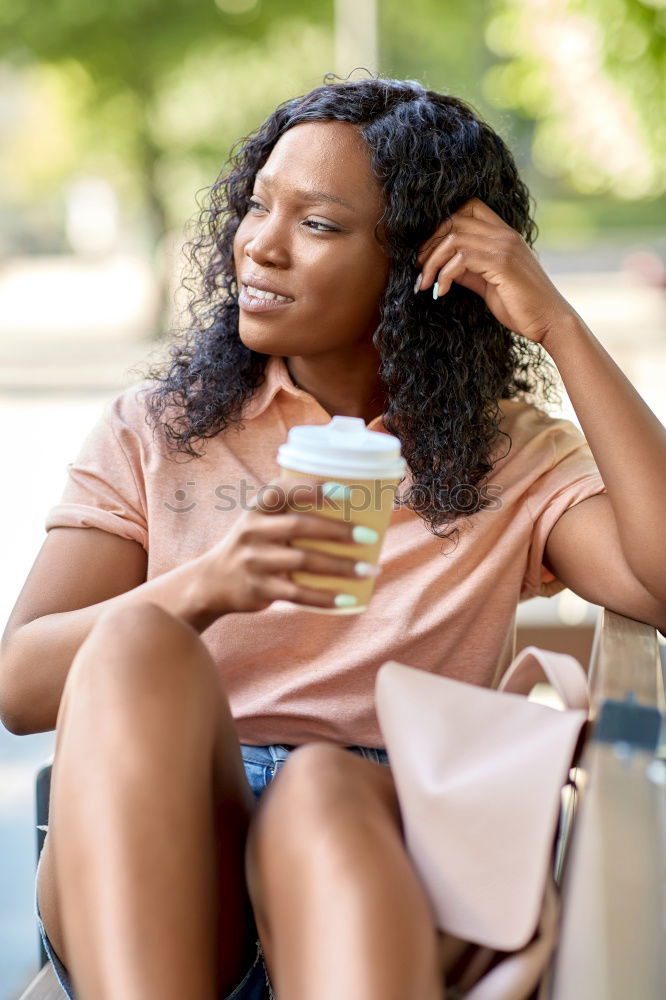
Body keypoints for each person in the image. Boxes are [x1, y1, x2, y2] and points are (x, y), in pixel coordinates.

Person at [1, 76, 665, 1000]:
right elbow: (21, 687)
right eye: (258, 204)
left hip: (375, 847)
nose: (259, 244)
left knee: (321, 789)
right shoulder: (155, 429)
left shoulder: (507, 454)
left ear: (418, 267)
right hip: (157, 859)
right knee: (139, 642)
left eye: (317, 224)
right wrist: (209, 585)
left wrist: (557, 324)